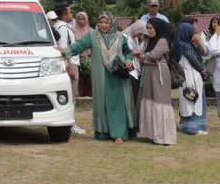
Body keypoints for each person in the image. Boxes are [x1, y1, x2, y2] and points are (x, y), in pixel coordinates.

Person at [64, 12, 137, 142]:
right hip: (102, 77)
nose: (103, 25)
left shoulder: (120, 37)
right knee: (103, 103)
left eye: (106, 22)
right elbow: (79, 46)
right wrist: (65, 51)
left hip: (118, 76)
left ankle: (118, 133)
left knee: (118, 104)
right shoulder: (93, 36)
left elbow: (128, 52)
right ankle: (104, 132)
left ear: (112, 23)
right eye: (101, 22)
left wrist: (129, 60)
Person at [135, 18, 177, 146]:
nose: (149, 31)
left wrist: (141, 56)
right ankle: (151, 134)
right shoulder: (149, 41)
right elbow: (143, 54)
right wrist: (144, 56)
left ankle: (164, 136)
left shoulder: (163, 41)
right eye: (147, 28)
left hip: (159, 74)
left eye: (151, 28)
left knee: (160, 102)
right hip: (149, 73)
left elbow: (153, 55)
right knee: (149, 100)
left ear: (157, 28)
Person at [175, 20, 208, 135]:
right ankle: (192, 127)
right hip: (190, 75)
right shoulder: (185, 46)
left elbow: (204, 52)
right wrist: (202, 70)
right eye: (193, 32)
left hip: (187, 76)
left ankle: (193, 126)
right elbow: (194, 60)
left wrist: (199, 43)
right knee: (192, 100)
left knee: (190, 100)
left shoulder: (179, 44)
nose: (196, 35)